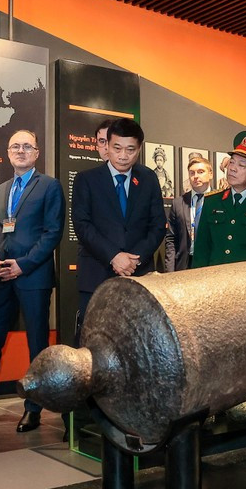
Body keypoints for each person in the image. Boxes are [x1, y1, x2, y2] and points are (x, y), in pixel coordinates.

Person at [0, 130, 64, 432]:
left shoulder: (50, 186)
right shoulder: (1, 190)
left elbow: (52, 233)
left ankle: (33, 408)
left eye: (27, 147)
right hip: (1, 277)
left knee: (36, 343)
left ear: (36, 153)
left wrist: (22, 265)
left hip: (32, 276)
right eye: (15, 147)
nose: (21, 151)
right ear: (8, 153)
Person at [71, 117, 167, 337]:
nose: (123, 156)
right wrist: (114, 256)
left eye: (130, 149)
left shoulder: (149, 178)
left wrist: (136, 258)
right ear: (107, 145)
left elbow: (157, 225)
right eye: (117, 148)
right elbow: (82, 226)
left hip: (138, 273)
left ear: (139, 149)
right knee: (94, 339)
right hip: (97, 272)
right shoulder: (86, 179)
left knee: (138, 340)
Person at [192, 132, 246, 267]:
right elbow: (202, 249)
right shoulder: (212, 201)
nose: (233, 169)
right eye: (232, 162)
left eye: (242, 165)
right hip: (215, 278)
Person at [165, 155, 213, 271]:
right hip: (184, 265)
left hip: (211, 265)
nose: (196, 176)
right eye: (192, 173)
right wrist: (169, 271)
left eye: (200, 172)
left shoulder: (219, 201)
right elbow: (171, 239)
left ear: (210, 174)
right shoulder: (178, 203)